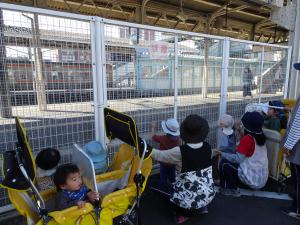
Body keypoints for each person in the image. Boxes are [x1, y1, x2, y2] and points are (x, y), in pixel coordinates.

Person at [151, 115, 215, 224]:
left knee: (154, 186)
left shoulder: (180, 151)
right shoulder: (208, 147)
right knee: (183, 182)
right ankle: (201, 207)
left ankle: (183, 213)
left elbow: (158, 155)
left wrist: (142, 146)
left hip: (188, 201)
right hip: (208, 194)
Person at [217, 111, 269, 196]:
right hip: (261, 177)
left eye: (243, 124)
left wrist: (222, 153)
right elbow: (248, 144)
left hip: (252, 180)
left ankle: (230, 189)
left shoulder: (247, 140)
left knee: (224, 163)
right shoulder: (260, 135)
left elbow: (237, 159)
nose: (241, 124)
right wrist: (239, 130)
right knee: (231, 158)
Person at [281, 62, 300, 219]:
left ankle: (297, 209)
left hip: (298, 146)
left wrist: (287, 146)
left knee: (298, 176)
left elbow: (298, 125)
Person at [151, 118, 180, 184]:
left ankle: (163, 188)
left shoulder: (163, 138)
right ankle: (173, 187)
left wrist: (153, 127)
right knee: (172, 177)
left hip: (164, 162)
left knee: (163, 177)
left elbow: (153, 137)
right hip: (173, 162)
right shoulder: (178, 140)